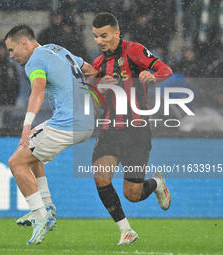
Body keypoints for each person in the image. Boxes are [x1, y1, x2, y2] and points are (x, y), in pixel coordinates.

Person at [4, 25, 97, 245]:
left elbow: (38, 90)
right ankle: (46, 206)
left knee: (16, 162)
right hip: (85, 120)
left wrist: (26, 125)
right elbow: (91, 70)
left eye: (11, 50)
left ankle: (40, 216)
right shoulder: (57, 49)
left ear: (25, 44)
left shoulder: (35, 60)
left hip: (69, 122)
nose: (11, 56)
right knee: (33, 152)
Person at [90, 13, 173, 245]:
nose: (99, 41)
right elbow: (94, 101)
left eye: (104, 35)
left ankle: (156, 183)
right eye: (96, 36)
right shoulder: (98, 65)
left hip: (137, 129)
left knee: (132, 194)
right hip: (109, 129)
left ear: (117, 33)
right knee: (100, 176)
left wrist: (153, 76)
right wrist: (98, 89)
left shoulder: (134, 50)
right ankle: (126, 230)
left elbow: (166, 70)